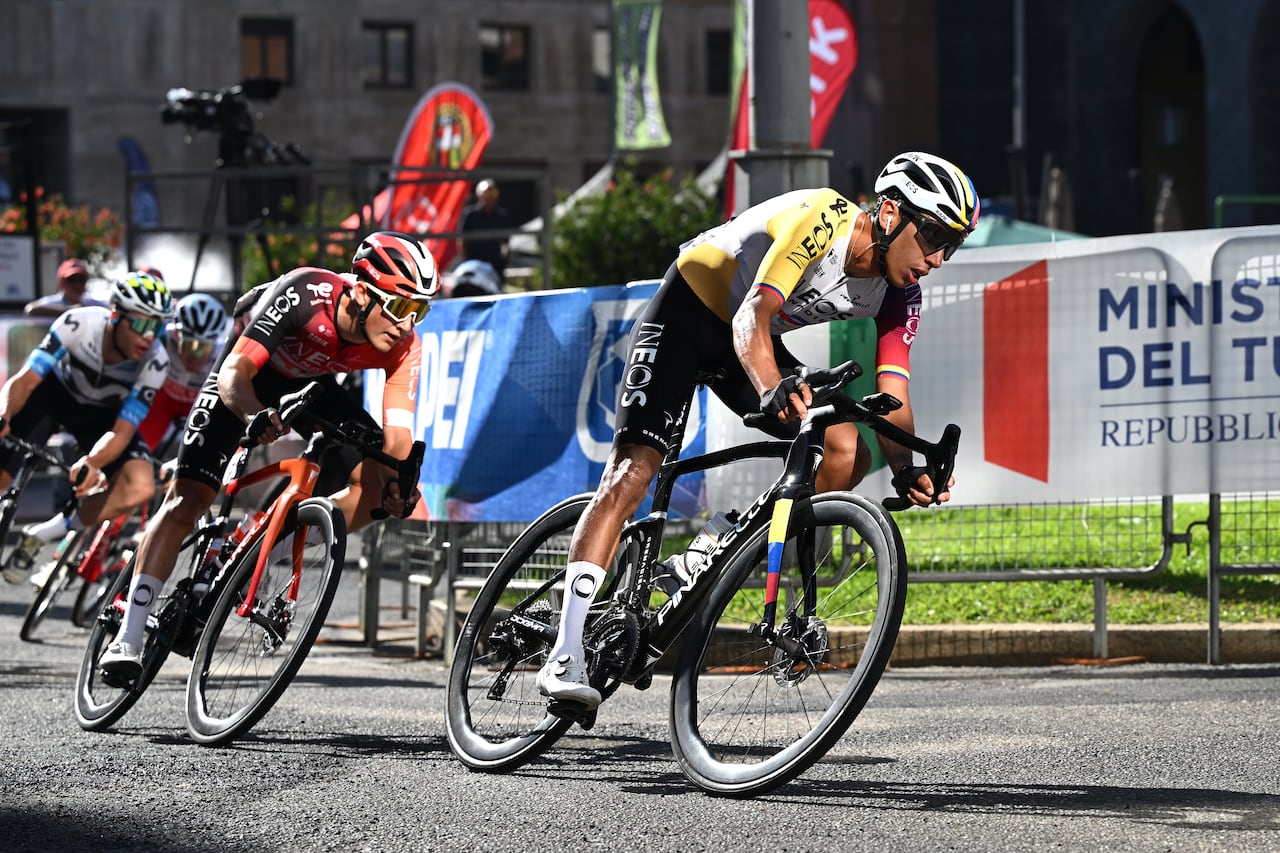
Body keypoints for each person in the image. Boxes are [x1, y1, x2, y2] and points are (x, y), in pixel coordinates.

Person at [535, 151, 980, 710]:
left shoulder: (900, 292)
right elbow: (752, 317)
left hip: (743, 342)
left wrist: (908, 468)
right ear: (890, 213)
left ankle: (719, 540)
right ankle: (563, 654)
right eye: (934, 236)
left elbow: (894, 396)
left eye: (953, 245)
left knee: (845, 451)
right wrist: (772, 386)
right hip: (689, 316)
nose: (938, 259)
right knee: (632, 474)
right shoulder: (824, 217)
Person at [99, 231, 438, 681]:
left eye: (419, 311)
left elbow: (397, 439)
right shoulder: (306, 292)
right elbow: (236, 375)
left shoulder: (402, 345)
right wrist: (254, 414)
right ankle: (129, 634)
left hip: (310, 387)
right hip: (246, 376)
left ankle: (260, 540)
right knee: (189, 499)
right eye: (399, 307)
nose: (406, 324)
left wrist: (398, 489)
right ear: (359, 293)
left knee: (379, 485)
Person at [0, 271, 174, 583]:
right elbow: (26, 381)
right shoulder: (79, 323)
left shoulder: (156, 361)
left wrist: (92, 462)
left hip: (101, 416)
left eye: (157, 326)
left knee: (139, 485)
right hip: (53, 395)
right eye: (141, 323)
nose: (149, 336)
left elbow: (122, 430)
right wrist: (4, 414)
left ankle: (45, 532)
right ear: (115, 316)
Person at [457, 178, 512, 279]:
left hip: (495, 267)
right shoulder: (470, 215)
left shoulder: (501, 215)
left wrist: (504, 260)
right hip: (474, 266)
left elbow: (506, 242)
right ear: (479, 196)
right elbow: (462, 241)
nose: (490, 198)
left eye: (493, 193)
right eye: (487, 194)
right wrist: (467, 262)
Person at [24, 258, 107, 318]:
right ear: (61, 282)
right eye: (71, 280)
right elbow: (30, 310)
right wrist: (70, 310)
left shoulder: (92, 304)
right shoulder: (53, 303)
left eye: (81, 280)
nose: (77, 285)